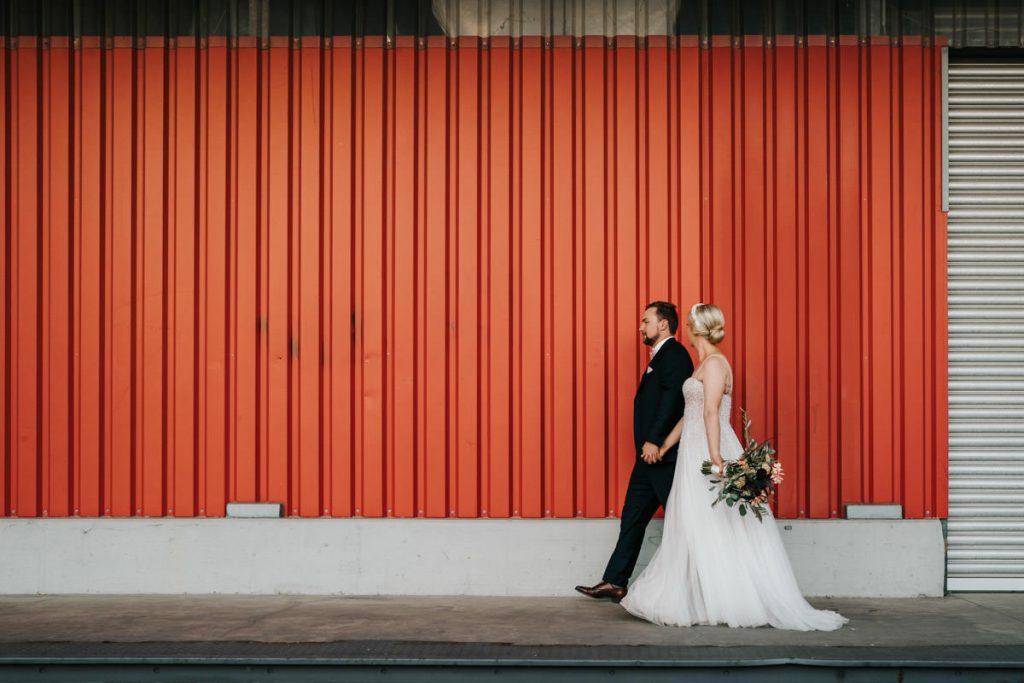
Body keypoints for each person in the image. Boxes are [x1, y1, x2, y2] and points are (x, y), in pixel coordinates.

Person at [619, 303, 848, 630]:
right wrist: (666, 445)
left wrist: (715, 458)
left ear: (696, 328)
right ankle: (703, 596)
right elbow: (691, 415)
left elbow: (711, 412)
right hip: (690, 451)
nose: (685, 328)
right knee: (695, 525)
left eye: (688, 324)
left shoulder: (715, 365)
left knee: (717, 526)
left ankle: (731, 597)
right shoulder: (701, 366)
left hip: (708, 450)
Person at [575, 301, 694, 602]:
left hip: (664, 456)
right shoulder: (661, 356)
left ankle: (700, 583)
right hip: (648, 460)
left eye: (646, 321)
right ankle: (615, 581)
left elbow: (672, 401)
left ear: (663, 324)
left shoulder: (675, 355)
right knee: (632, 518)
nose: (641, 327)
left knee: (684, 522)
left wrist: (655, 439)